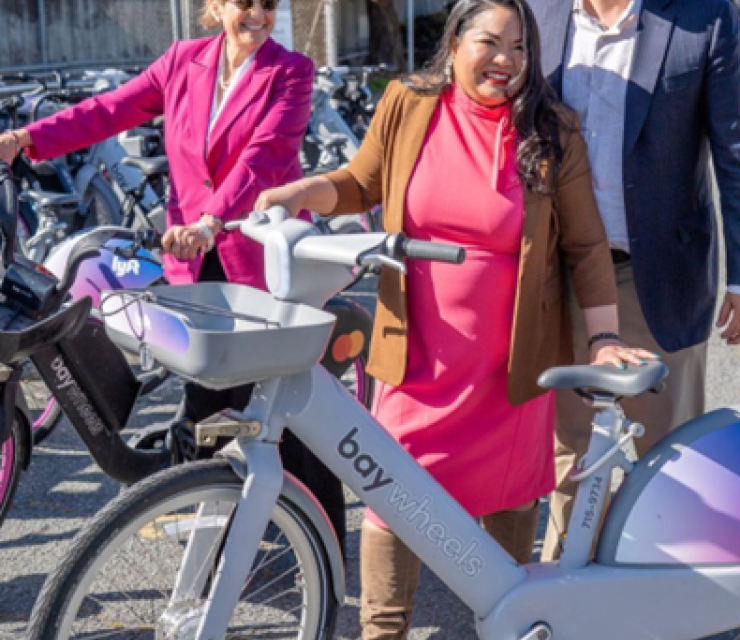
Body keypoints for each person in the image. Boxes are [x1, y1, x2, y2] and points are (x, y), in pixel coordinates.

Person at [254, 0, 656, 636]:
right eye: (491, 42)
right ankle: (383, 630)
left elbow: (585, 246)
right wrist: (305, 193)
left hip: (509, 371)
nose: (507, 60)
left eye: (521, 47)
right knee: (391, 506)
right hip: (416, 363)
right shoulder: (409, 104)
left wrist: (604, 337)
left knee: (506, 543)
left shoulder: (552, 130)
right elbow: (362, 183)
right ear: (454, 40)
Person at [0, 0, 347, 546]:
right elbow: (109, 111)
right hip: (194, 259)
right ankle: (218, 540)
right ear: (215, 6)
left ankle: (322, 535)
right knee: (208, 400)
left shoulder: (290, 71)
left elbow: (264, 156)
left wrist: (214, 219)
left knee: (285, 404)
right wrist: (28, 139)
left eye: (269, 5)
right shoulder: (183, 60)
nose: (258, 15)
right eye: (244, 4)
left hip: (258, 258)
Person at [527, 0, 740, 560]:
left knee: (670, 460)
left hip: (657, 275)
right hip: (557, 274)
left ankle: (669, 592)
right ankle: (570, 595)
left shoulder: (703, 17)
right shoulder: (535, 13)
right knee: (570, 453)